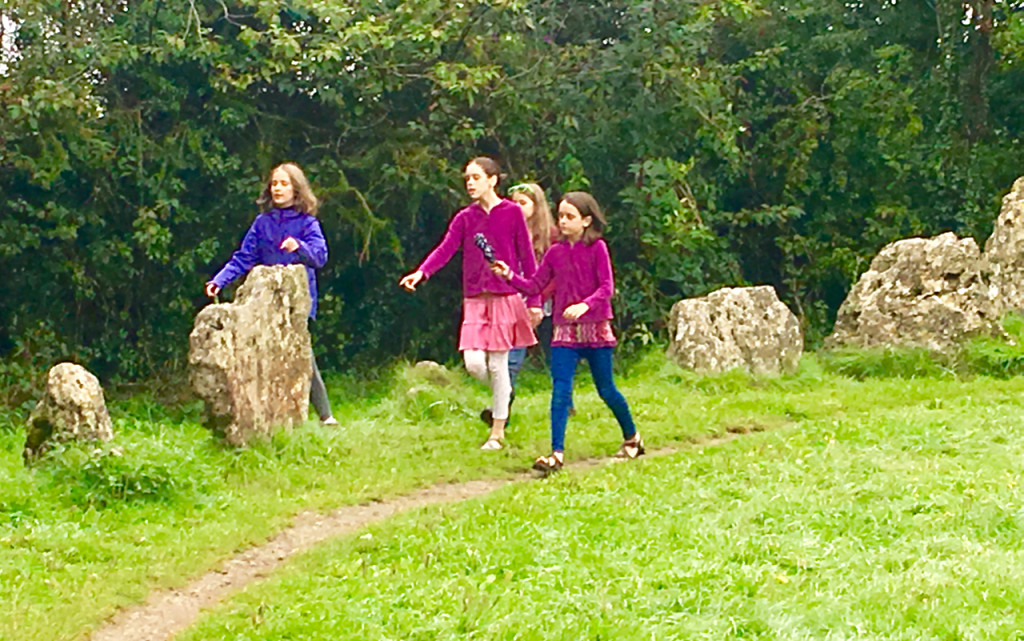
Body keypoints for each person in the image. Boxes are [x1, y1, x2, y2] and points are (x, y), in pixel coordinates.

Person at [492, 191, 642, 473]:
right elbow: (534, 286)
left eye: (570, 216)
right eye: (560, 216)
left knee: (606, 389)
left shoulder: (598, 248)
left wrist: (585, 305)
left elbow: (606, 287)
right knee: (560, 389)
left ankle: (632, 437)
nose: (563, 221)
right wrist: (509, 275)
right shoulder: (555, 252)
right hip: (564, 332)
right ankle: (556, 454)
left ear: (586, 220)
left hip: (596, 330)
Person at [400, 157, 541, 450]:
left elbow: (527, 257)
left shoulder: (513, 213)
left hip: (505, 297)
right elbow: (446, 248)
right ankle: (504, 394)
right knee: (475, 363)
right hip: (475, 298)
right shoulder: (465, 217)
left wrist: (535, 299)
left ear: (493, 180)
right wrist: (421, 272)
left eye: (476, 177)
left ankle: (497, 432)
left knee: (499, 364)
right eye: (467, 178)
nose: (470, 183)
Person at [204, 162, 338, 426]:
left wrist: (298, 246)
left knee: (302, 354)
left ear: (296, 189)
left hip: (298, 302)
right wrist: (219, 281)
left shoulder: (308, 223)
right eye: (274, 183)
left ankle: (326, 416)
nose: (277, 188)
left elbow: (320, 257)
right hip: (264, 301)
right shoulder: (261, 223)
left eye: (284, 183)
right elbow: (243, 257)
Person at [478, 182, 557, 427]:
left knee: (555, 353)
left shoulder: (550, 236)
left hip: (541, 301)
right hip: (512, 300)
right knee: (509, 354)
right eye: (514, 202)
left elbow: (556, 275)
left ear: (537, 207)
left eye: (523, 203)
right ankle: (503, 406)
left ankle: (564, 398)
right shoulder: (507, 228)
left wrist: (538, 299)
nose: (517, 208)